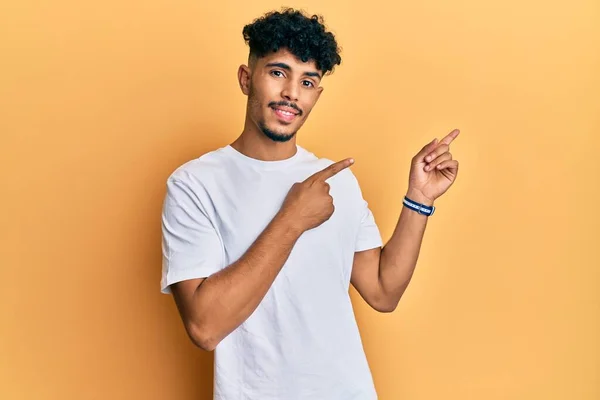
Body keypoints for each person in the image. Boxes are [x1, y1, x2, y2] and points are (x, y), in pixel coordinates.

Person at [160, 7, 460, 400]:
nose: (291, 94)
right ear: (246, 78)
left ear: (317, 94)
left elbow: (384, 291)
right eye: (278, 72)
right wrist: (292, 219)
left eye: (307, 81)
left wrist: (418, 199)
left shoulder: (338, 181)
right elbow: (204, 327)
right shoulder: (194, 184)